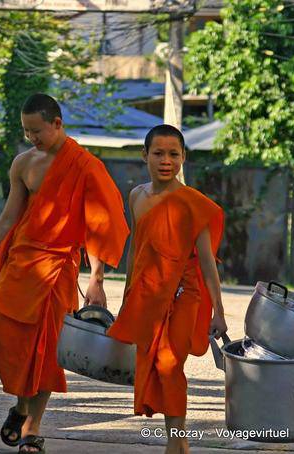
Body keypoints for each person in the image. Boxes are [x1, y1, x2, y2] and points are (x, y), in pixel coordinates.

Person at [0, 94, 129, 453]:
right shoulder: (23, 164)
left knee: (46, 352)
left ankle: (32, 427)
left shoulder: (85, 166)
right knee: (9, 344)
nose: (32, 138)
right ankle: (20, 405)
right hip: (19, 264)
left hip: (59, 268)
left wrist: (96, 279)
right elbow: (10, 217)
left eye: (37, 130)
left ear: (57, 123)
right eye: (26, 131)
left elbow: (99, 225)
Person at [107, 124, 228, 454]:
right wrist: (128, 294)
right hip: (147, 293)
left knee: (170, 363)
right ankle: (175, 437)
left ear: (183, 158)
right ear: (144, 155)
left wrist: (218, 310)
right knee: (153, 363)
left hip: (183, 294)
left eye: (173, 154)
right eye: (158, 153)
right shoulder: (136, 196)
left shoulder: (193, 203)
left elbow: (206, 261)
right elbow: (137, 248)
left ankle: (178, 441)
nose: (166, 161)